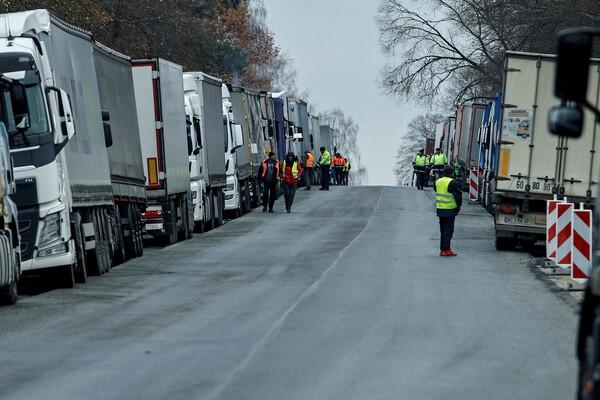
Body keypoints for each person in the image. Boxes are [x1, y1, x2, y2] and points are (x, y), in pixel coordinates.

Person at [435, 165, 462, 256]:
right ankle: (446, 249)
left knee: (443, 231)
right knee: (449, 231)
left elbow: (436, 190)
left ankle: (443, 249)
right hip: (450, 209)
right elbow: (458, 196)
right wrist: (458, 207)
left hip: (440, 209)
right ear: (452, 173)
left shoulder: (438, 181)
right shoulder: (452, 182)